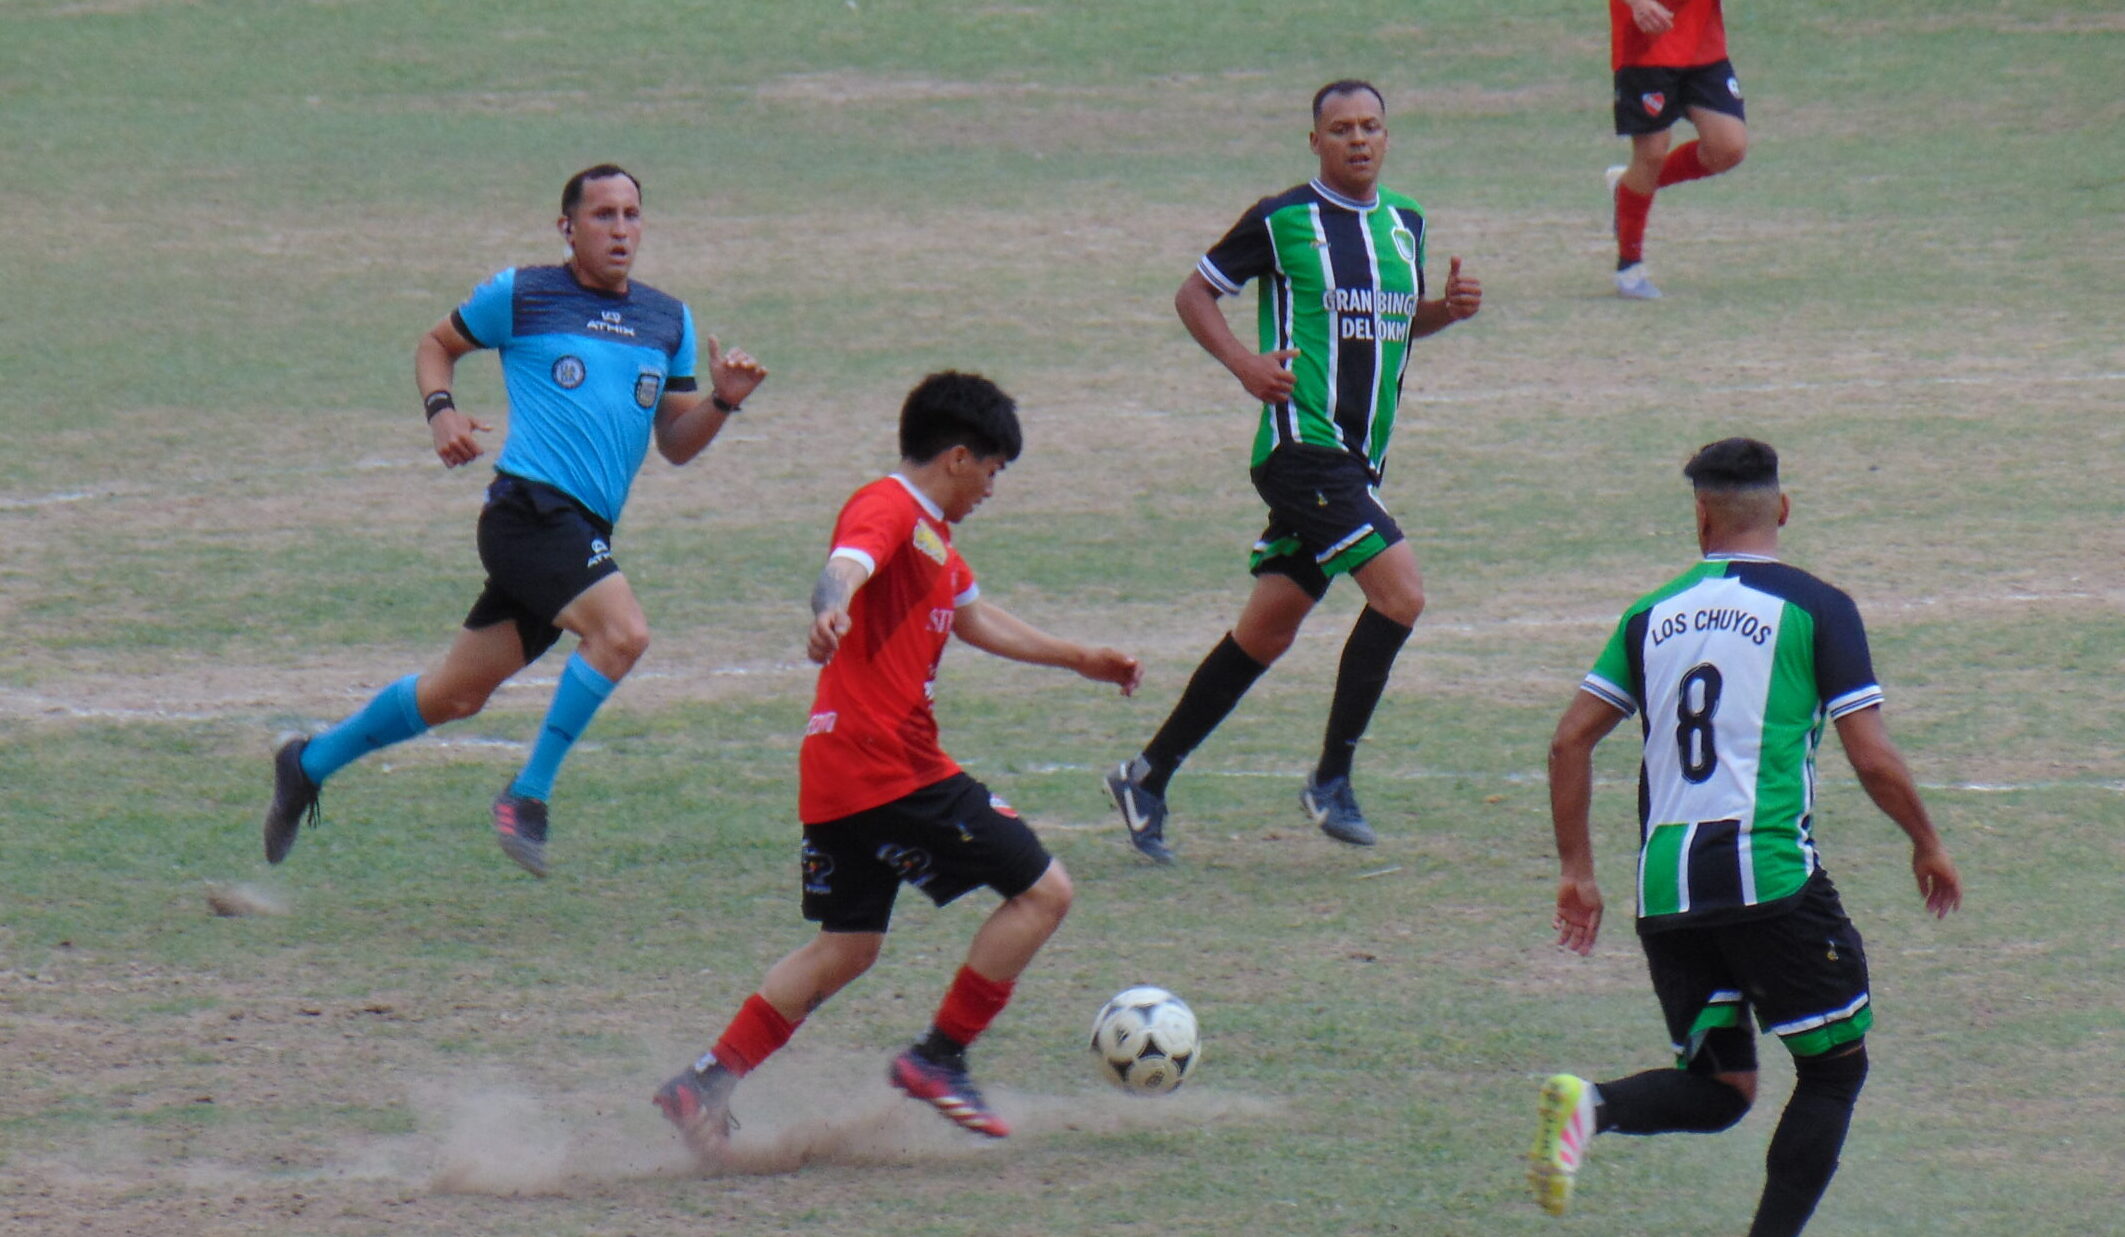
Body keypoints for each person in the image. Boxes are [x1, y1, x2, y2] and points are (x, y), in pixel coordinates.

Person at [652, 371, 1142, 1151]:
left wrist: (1081, 656)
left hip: (838, 772)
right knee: (1044, 892)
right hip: (890, 764)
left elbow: (978, 618)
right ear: (956, 456)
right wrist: (829, 605)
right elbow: (845, 564)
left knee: (847, 945)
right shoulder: (887, 508)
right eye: (992, 468)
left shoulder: (935, 543)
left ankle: (703, 1083)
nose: (991, 486)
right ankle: (939, 1056)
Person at [259, 164, 768, 878]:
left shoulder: (667, 320)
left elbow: (677, 444)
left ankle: (307, 762)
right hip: (528, 514)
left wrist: (723, 401)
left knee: (456, 694)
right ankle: (526, 794)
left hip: (582, 533)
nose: (620, 230)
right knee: (622, 632)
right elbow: (435, 344)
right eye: (602, 216)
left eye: (631, 214)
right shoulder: (522, 294)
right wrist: (441, 414)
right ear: (567, 228)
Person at [1526, 438, 1963, 1235]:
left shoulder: (1647, 615)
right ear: (1782, 508)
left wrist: (1575, 872)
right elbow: (1870, 755)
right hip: (1766, 875)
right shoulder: (1816, 607)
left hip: (1664, 886)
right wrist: (1924, 840)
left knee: (1722, 1088)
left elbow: (1568, 741)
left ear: (1700, 517)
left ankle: (1588, 1105)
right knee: (1834, 1068)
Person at [1102, 79, 1482, 863]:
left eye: (1370, 126)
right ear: (1314, 140)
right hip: (1298, 450)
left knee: (1266, 631)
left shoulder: (1403, 222)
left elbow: (1391, 324)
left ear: (1387, 135)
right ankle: (1330, 778)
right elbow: (1194, 291)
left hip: (1356, 459)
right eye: (1340, 128)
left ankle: (1146, 774)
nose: (1357, 139)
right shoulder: (1282, 219)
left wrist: (1445, 309)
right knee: (1401, 592)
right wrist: (1244, 363)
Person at [1605, 0, 1750, 299]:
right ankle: (1629, 267)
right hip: (1646, 45)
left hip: (1703, 44)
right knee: (1652, 154)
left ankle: (1628, 190)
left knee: (1728, 147)